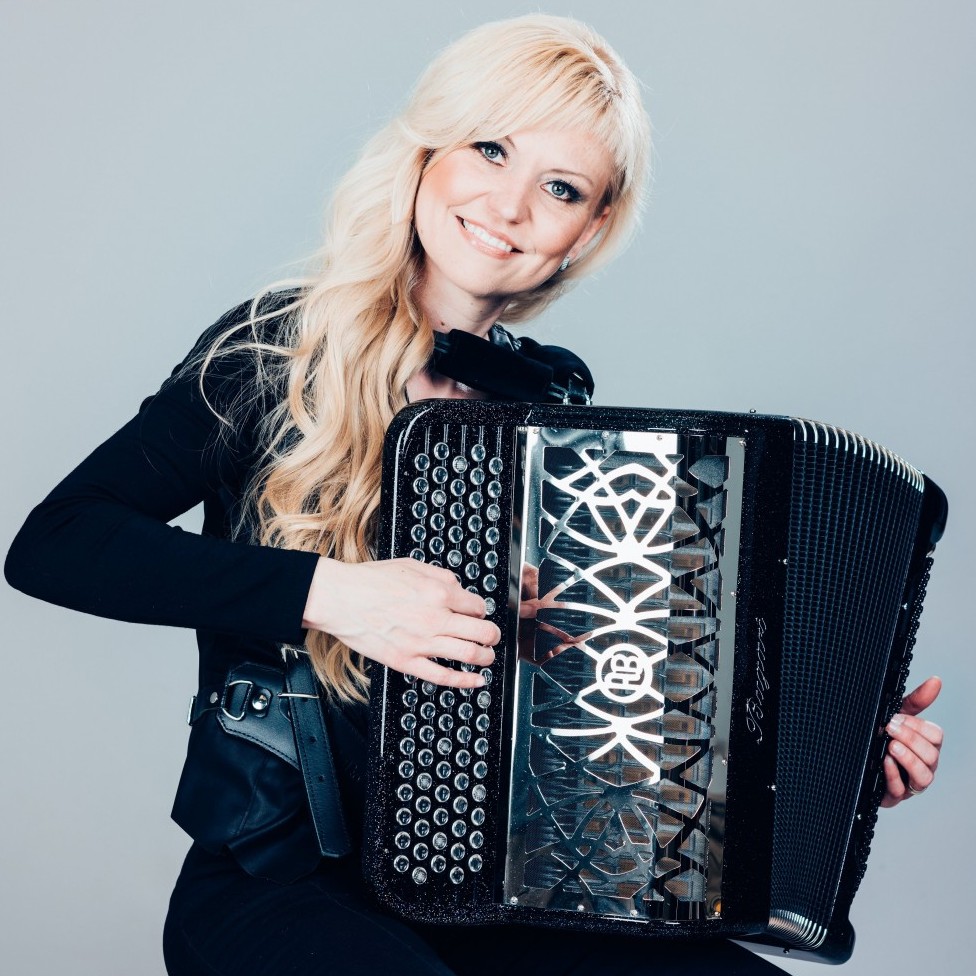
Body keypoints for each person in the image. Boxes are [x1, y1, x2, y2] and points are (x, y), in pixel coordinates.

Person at [3, 14, 942, 976]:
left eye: (561, 187)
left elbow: (616, 713)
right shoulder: (276, 351)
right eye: (491, 149)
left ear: (589, 230)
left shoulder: (559, 419)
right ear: (428, 152)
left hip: (501, 894)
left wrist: (825, 762)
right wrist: (327, 593)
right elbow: (57, 541)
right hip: (277, 883)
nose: (510, 204)